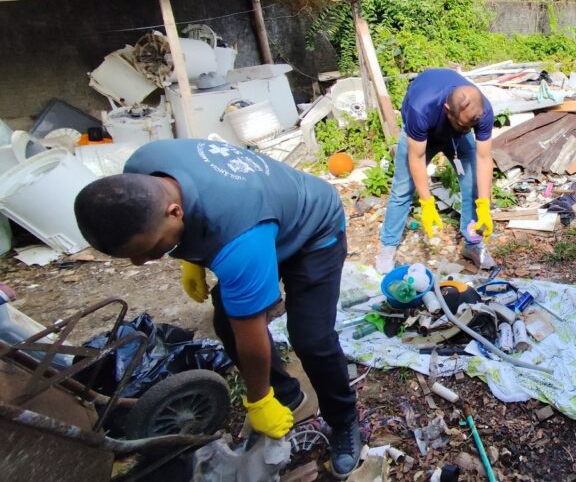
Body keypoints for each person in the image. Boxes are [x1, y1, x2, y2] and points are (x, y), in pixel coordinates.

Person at [74, 139, 361, 479]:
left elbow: (251, 335)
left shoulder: (239, 239)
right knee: (225, 321)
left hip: (312, 230)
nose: (139, 262)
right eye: (131, 256)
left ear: (174, 212)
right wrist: (191, 259)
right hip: (260, 220)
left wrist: (257, 400)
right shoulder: (143, 164)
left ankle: (344, 422)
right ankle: (287, 397)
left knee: (311, 338)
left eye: (148, 249)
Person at [376, 68, 495, 273]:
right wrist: (426, 202)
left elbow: (484, 158)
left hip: (453, 137)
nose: (468, 130)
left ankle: (472, 244)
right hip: (423, 136)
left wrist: (484, 203)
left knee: (473, 185)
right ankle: (387, 246)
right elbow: (417, 158)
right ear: (448, 109)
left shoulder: (481, 110)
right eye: (463, 125)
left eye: (471, 126)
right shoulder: (420, 108)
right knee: (402, 189)